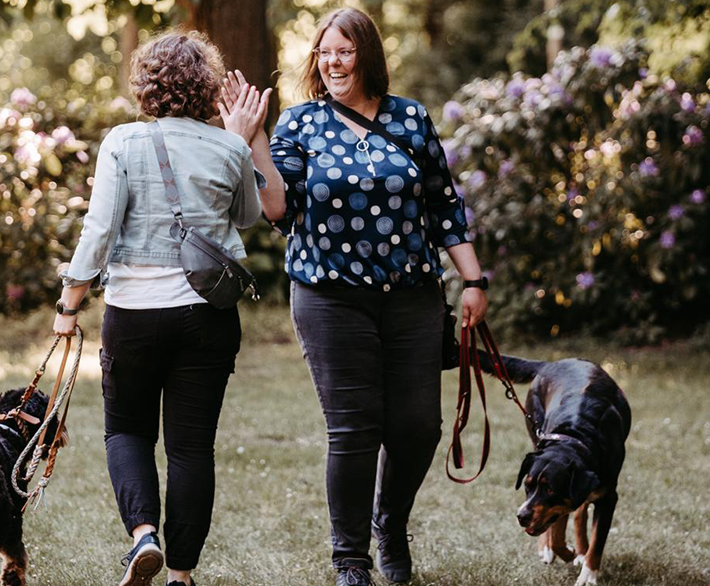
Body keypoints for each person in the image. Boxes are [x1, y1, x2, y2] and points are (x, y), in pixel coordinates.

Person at [225, 8, 489, 586]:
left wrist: (473, 280)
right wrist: (255, 141)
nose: (334, 62)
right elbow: (278, 210)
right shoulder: (300, 124)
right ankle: (351, 561)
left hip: (413, 293)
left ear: (366, 55)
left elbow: (445, 205)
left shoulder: (411, 118)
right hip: (329, 296)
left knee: (419, 426)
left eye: (345, 51)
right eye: (325, 52)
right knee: (354, 427)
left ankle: (389, 524)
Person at [52, 30, 271, 586]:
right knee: (192, 447)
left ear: (147, 86)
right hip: (207, 315)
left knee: (126, 431)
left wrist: (70, 301)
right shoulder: (227, 146)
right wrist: (240, 142)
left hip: (134, 314)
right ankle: (180, 574)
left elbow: (98, 230)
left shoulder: (123, 142)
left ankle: (143, 536)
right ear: (208, 89)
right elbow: (248, 215)